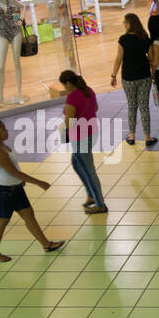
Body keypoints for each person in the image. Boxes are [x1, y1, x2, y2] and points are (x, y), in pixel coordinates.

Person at [0, 119, 64, 263]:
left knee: (29, 215)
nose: (7, 131)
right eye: (3, 129)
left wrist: (20, 181)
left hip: (14, 188)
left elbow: (13, 169)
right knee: (1, 222)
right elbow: (14, 172)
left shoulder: (2, 146)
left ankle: (46, 245)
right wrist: (39, 182)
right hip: (2, 192)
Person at [58, 70, 105, 216]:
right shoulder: (88, 90)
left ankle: (100, 204)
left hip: (80, 138)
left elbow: (69, 122)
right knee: (77, 163)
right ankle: (91, 194)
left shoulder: (72, 97)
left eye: (64, 85)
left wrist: (62, 127)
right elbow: (95, 108)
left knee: (89, 170)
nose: (64, 88)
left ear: (68, 83)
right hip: (91, 132)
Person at [110, 13, 155, 148]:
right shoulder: (145, 38)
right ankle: (147, 137)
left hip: (128, 78)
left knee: (132, 105)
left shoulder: (123, 39)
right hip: (144, 77)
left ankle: (132, 136)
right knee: (144, 107)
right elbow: (151, 58)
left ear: (130, 24)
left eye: (125, 22)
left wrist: (113, 75)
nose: (123, 24)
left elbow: (119, 59)